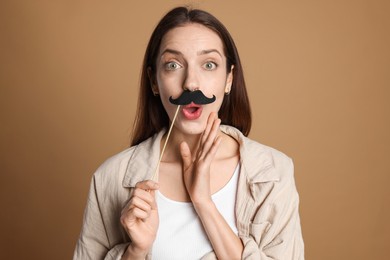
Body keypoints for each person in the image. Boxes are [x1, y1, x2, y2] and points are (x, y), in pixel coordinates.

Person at [73, 6, 304, 260]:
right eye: (173, 65)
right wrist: (135, 252)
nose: (191, 83)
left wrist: (203, 203)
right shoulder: (109, 179)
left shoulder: (274, 174)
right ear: (154, 81)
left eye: (209, 64)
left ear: (229, 79)